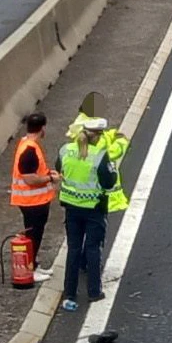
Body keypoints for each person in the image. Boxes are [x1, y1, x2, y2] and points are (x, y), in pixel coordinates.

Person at [56, 117, 120, 312]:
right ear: (98, 136)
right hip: (94, 208)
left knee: (73, 249)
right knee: (93, 249)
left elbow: (59, 168)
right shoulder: (99, 156)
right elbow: (109, 181)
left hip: (71, 207)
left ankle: (70, 292)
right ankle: (94, 291)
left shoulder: (65, 150)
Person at [8, 112, 57, 280]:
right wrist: (50, 179)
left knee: (35, 233)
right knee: (34, 235)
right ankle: (30, 270)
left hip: (33, 200)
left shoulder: (27, 144)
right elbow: (30, 179)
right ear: (42, 129)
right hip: (32, 202)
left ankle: (34, 265)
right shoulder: (29, 150)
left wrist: (47, 174)